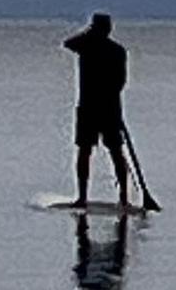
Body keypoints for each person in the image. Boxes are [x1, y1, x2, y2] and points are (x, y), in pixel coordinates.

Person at [64, 13, 129, 208]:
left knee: (112, 152)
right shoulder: (92, 47)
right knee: (92, 151)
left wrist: (88, 33)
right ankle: (86, 196)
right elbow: (68, 44)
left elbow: (119, 81)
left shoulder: (99, 48)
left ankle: (122, 197)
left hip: (98, 108)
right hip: (98, 108)